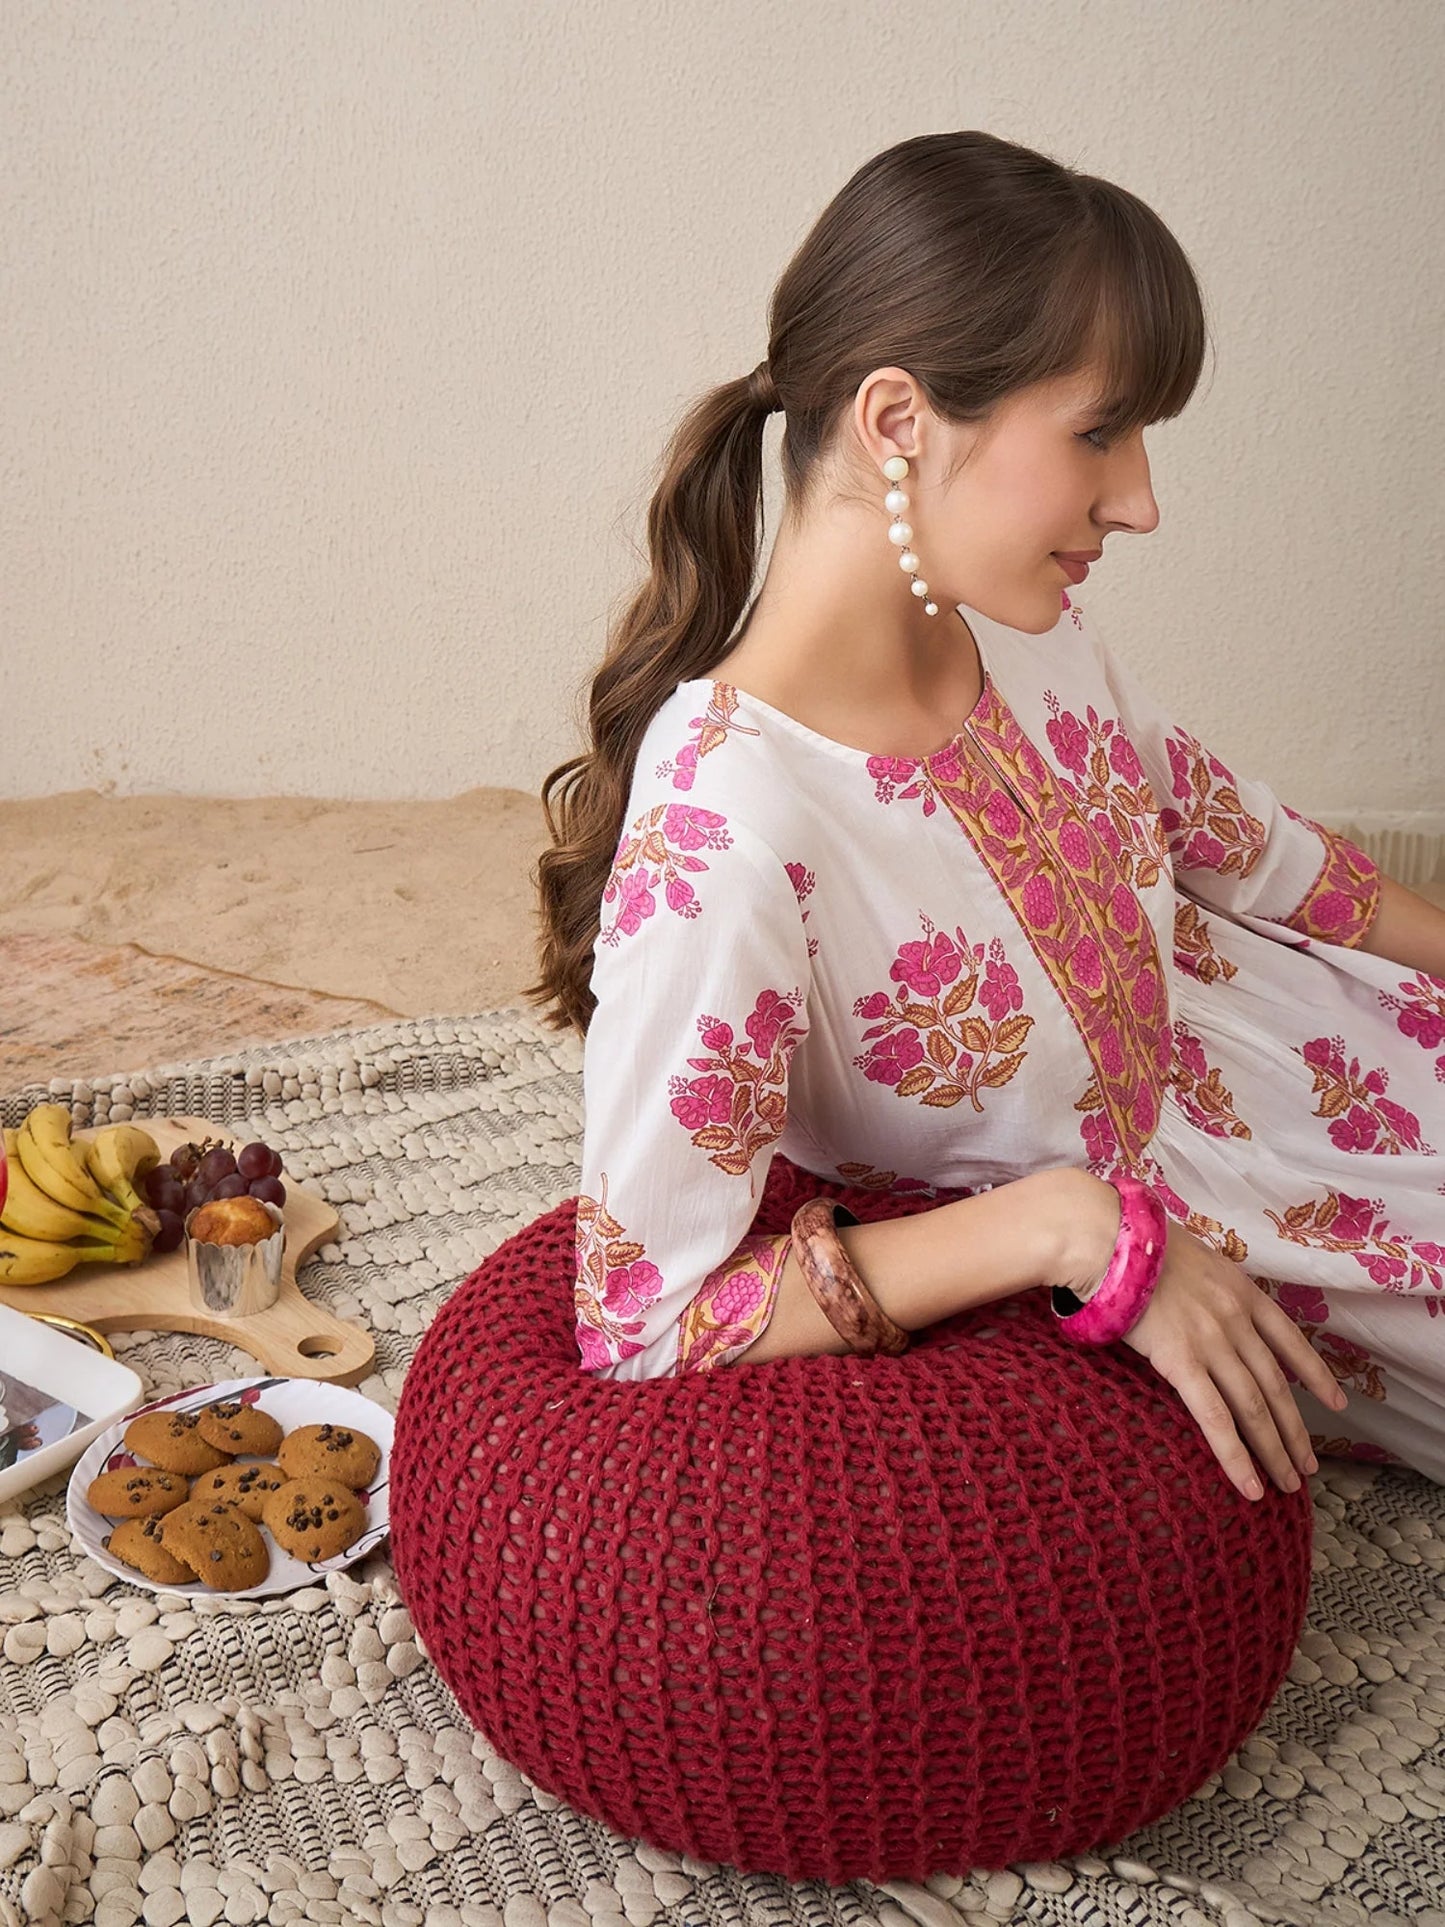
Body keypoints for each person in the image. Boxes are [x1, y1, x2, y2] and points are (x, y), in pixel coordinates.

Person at [525, 131, 1445, 1501]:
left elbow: (1248, 852)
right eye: (1098, 432)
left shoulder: (1026, 624)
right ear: (899, 421)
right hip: (1275, 1249)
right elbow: (647, 1320)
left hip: (1343, 1064)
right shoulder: (728, 826)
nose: (1140, 502)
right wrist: (1067, 1227)